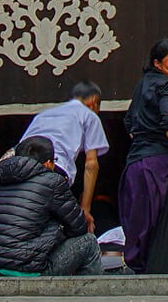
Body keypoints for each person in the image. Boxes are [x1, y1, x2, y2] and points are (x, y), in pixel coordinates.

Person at [0, 137, 102, 276]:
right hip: (22, 269)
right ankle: (86, 296)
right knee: (89, 242)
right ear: (48, 164)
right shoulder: (53, 181)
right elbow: (79, 227)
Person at [120, 38, 168, 274]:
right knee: (167, 226)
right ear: (158, 63)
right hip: (162, 164)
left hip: (136, 164)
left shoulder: (142, 86)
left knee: (141, 225)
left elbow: (130, 123)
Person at [20, 81, 110, 230]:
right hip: (53, 169)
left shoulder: (44, 114)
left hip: (22, 167)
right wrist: (85, 209)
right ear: (94, 101)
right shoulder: (88, 115)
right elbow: (91, 164)